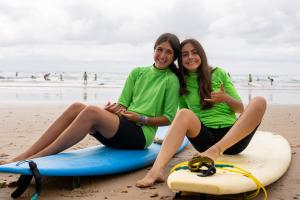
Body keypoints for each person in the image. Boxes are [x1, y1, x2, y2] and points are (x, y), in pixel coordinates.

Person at [0, 33, 181, 165]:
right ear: (153, 49)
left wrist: (140, 118)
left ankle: (37, 157)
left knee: (92, 111)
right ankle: (26, 154)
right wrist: (113, 110)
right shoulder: (137, 72)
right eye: (159, 49)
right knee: (76, 106)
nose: (163, 56)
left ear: (174, 57)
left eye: (169, 52)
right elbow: (123, 105)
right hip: (121, 127)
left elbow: (169, 118)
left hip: (140, 136)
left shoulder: (171, 80)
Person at [136, 38, 267, 188]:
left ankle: (216, 150)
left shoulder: (219, 73)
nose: (190, 57)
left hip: (233, 139)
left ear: (202, 54)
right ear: (180, 59)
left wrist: (226, 99)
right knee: (184, 112)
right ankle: (156, 171)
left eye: (194, 52)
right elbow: (182, 118)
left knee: (259, 101)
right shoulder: (181, 82)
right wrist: (165, 139)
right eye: (185, 54)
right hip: (205, 138)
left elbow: (240, 109)